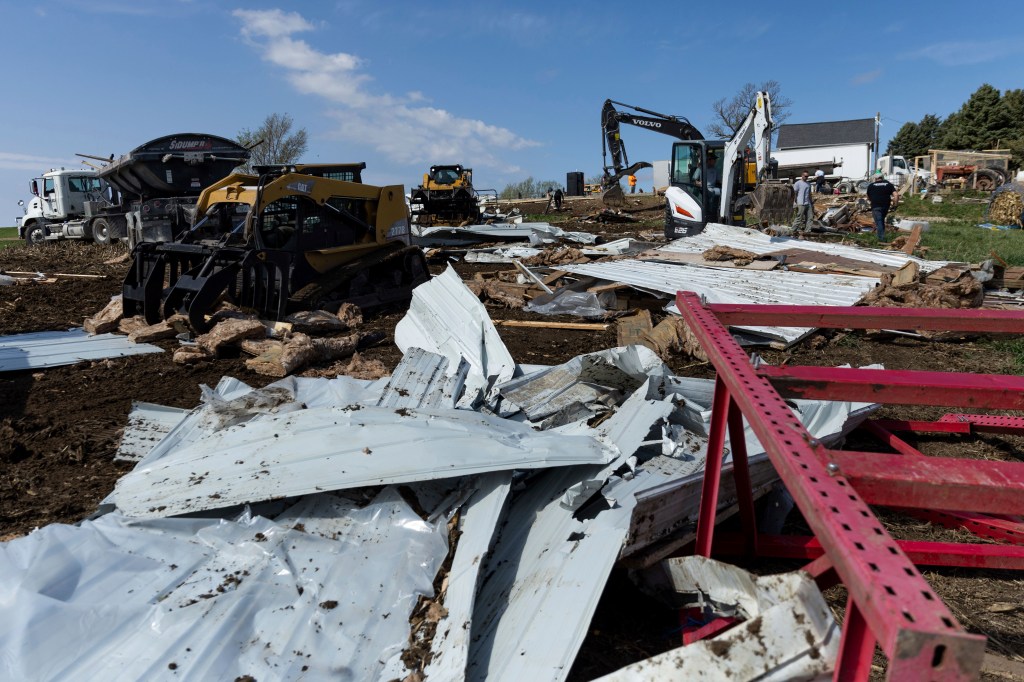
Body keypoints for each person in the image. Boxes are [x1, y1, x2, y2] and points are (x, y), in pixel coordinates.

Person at [866, 170, 898, 240]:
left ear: (875, 178)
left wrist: (872, 200)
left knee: (879, 222)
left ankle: (881, 239)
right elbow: (896, 195)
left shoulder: (871, 186)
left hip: (876, 206)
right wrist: (895, 205)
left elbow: (868, 197)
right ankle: (882, 236)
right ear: (882, 177)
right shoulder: (889, 184)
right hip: (885, 206)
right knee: (881, 220)